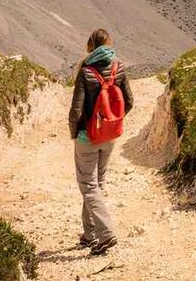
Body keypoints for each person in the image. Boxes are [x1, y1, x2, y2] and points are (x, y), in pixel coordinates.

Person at [68, 28, 133, 255]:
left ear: (90, 46)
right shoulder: (119, 68)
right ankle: (89, 235)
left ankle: (105, 234)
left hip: (88, 137)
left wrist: (75, 133)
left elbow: (76, 110)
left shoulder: (86, 71)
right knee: (97, 184)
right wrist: (112, 122)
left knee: (88, 185)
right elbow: (129, 101)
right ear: (109, 44)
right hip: (110, 136)